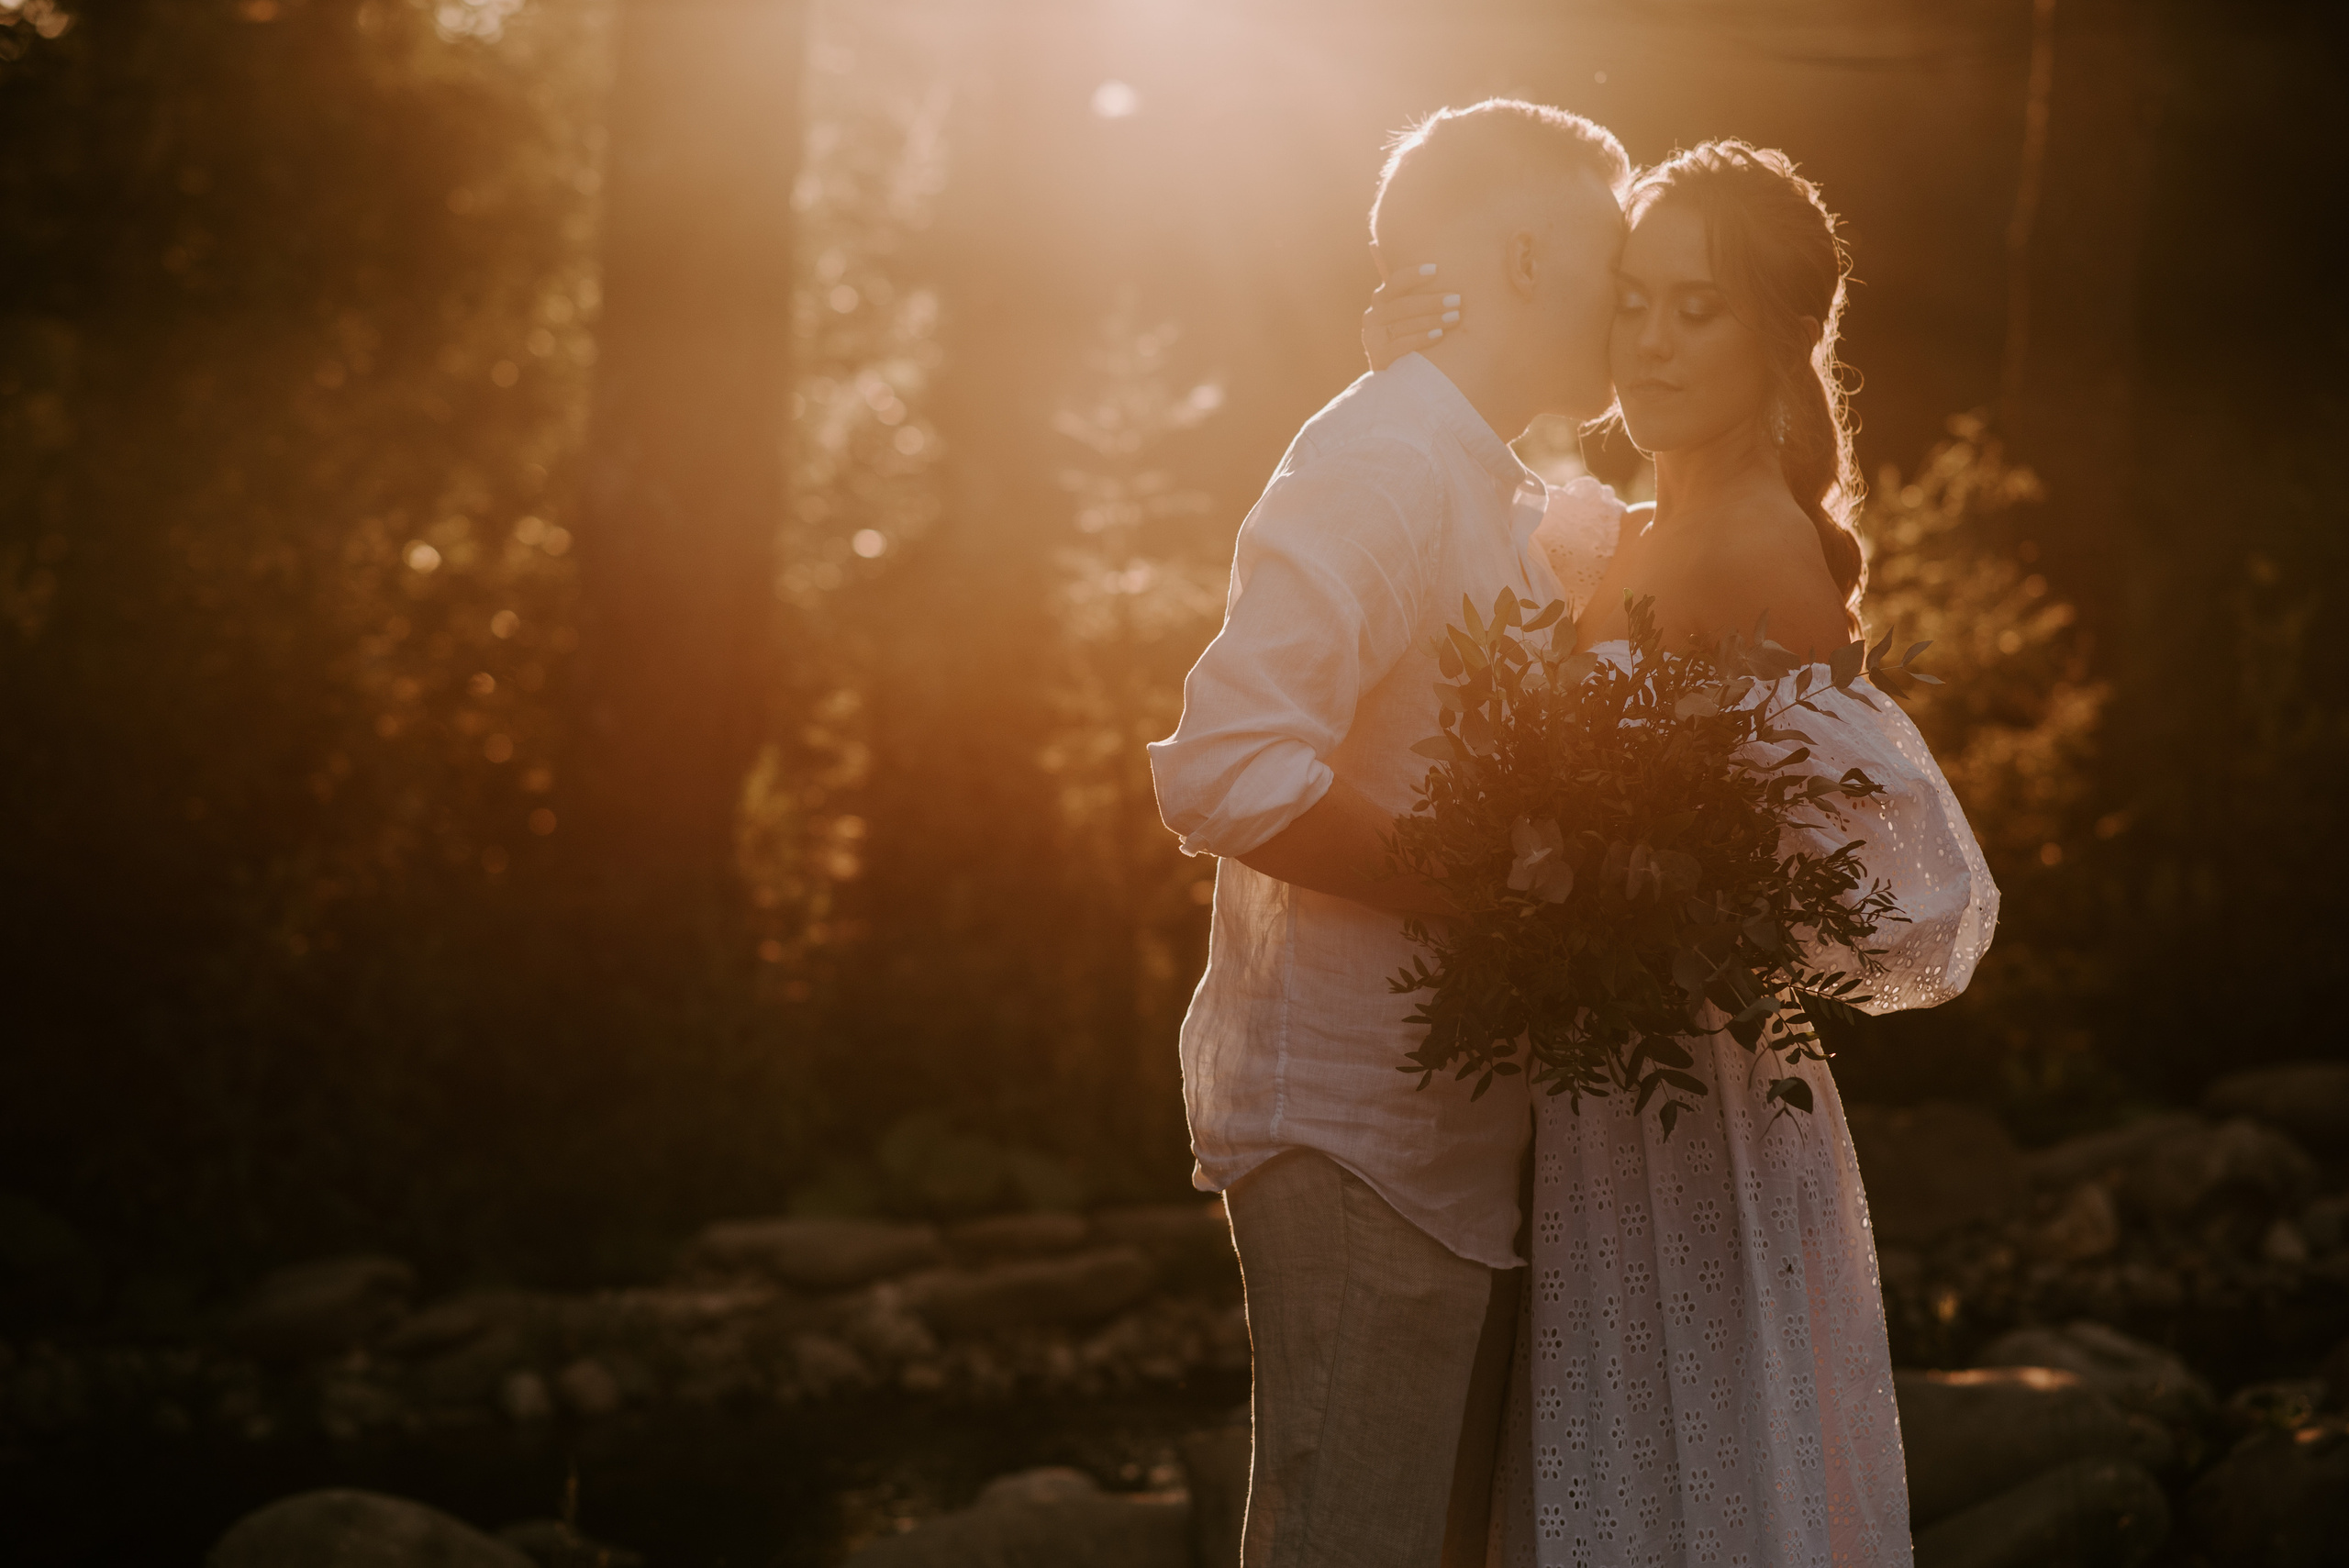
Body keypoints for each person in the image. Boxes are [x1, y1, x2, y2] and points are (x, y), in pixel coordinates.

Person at [1363, 141, 1999, 1565]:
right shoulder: (1633, 536)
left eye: (1694, 307)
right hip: (1591, 1097)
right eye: (1635, 297)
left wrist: (1609, 887)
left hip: (1685, 1105)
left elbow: (1868, 883)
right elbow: (1434, 551)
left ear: (1778, 332)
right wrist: (1403, 368)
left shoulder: (1756, 554)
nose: (1648, 337)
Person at [1148, 99, 1637, 1566]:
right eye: (1617, 260)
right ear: (1532, 253)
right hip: (1354, 1127)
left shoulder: (1470, 468)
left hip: (1448, 1133)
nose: (1631, 299)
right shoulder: (1386, 456)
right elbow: (1228, 764)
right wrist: (1488, 889)